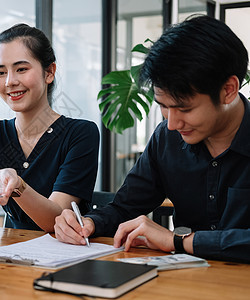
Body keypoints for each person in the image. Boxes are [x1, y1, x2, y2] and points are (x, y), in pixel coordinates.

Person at [54, 15, 250, 263]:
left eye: (185, 109)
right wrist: (89, 223)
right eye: (163, 106)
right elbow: (126, 206)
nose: (172, 123)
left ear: (228, 90)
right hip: (187, 280)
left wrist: (178, 241)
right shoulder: (166, 139)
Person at [0, 24, 100, 232]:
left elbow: (56, 222)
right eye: (1, 72)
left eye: (21, 69)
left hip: (63, 255)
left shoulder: (81, 134)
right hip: (7, 257)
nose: (10, 81)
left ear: (49, 72)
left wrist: (17, 185)